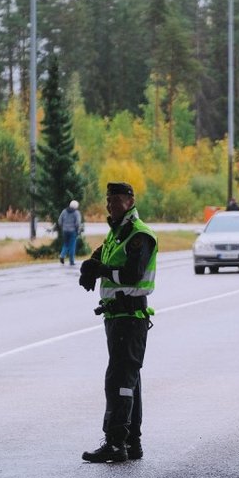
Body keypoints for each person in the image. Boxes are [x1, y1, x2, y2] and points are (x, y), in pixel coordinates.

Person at [78, 182, 157, 463]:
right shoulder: (117, 234)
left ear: (130, 200)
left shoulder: (139, 235)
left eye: (116, 199)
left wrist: (104, 271)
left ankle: (115, 442)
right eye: (108, 200)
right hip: (116, 316)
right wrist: (91, 265)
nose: (110, 204)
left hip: (130, 317)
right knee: (129, 379)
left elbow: (133, 274)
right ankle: (131, 442)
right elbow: (103, 256)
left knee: (119, 380)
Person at [57, 200, 83, 265]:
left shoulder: (64, 211)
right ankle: (71, 261)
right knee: (72, 245)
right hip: (73, 231)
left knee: (66, 244)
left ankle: (62, 255)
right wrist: (78, 230)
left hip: (65, 230)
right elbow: (78, 223)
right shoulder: (76, 213)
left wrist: (63, 227)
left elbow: (60, 221)